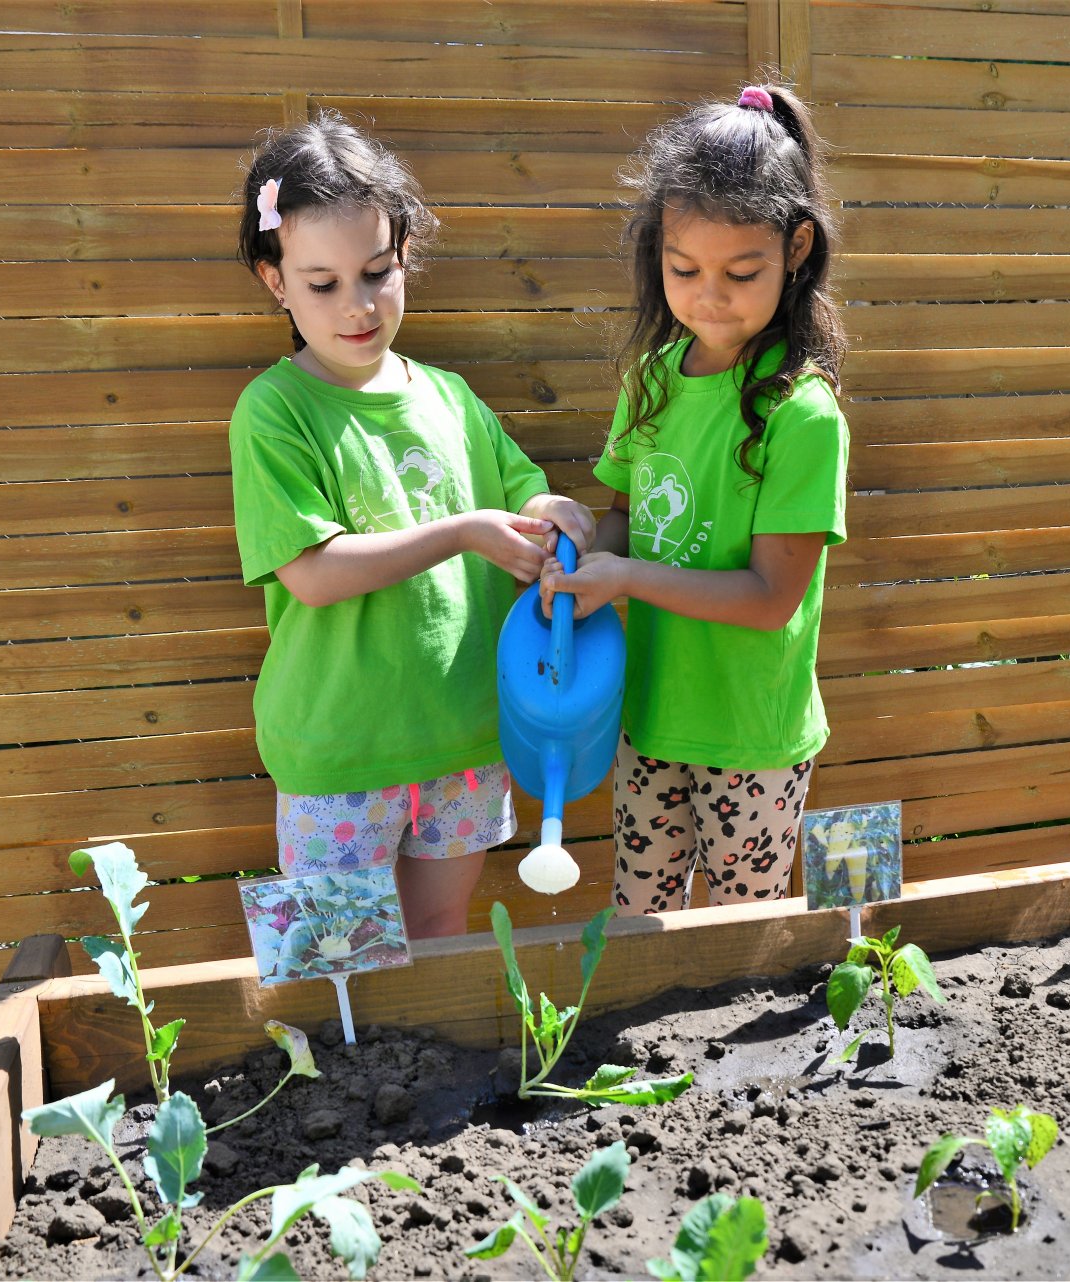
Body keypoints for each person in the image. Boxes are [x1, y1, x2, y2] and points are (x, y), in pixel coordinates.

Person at [229, 111, 594, 939]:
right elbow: (313, 574)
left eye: (378, 273)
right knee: (340, 965)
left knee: (441, 947)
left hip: (464, 740)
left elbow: (522, 496)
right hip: (337, 753)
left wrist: (551, 516)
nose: (357, 306)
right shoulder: (274, 410)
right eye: (322, 283)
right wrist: (462, 532)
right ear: (273, 279)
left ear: (405, 258)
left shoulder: (449, 395)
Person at [541, 84, 849, 915]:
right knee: (641, 928)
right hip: (645, 715)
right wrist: (581, 561)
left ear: (796, 248)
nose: (709, 293)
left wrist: (626, 578)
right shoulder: (649, 380)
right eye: (684, 269)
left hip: (752, 736)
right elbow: (623, 516)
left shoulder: (802, 414)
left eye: (740, 272)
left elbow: (769, 599)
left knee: (736, 947)